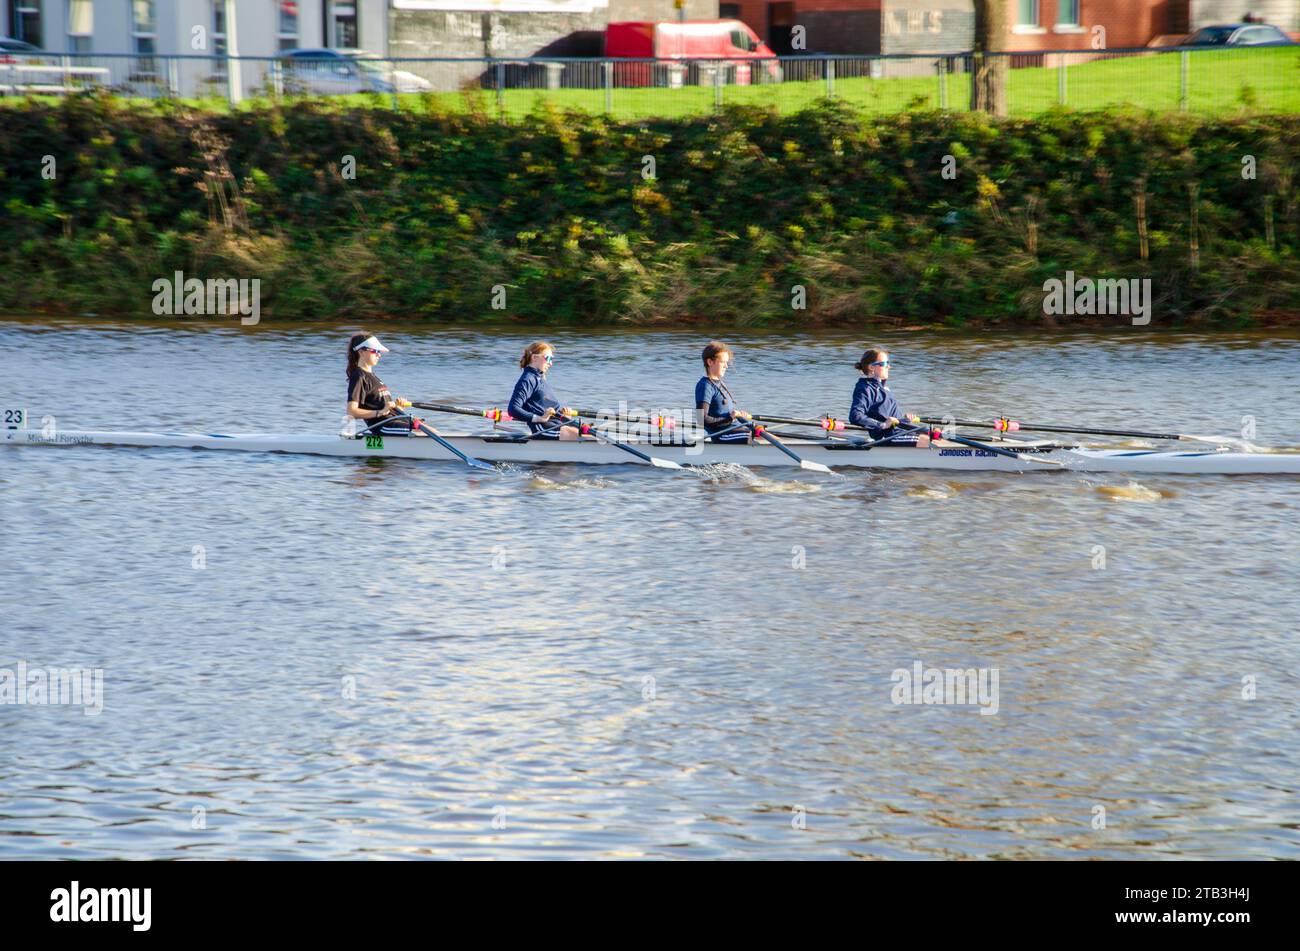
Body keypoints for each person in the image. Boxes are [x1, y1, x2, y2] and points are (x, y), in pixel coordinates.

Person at [345, 333, 436, 436]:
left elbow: (383, 408)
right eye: (375, 351)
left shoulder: (373, 377)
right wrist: (380, 412)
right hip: (384, 427)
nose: (379, 355)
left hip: (395, 421)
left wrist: (398, 407)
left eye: (379, 351)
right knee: (426, 434)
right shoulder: (359, 376)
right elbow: (351, 411)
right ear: (361, 351)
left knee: (433, 431)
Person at [849, 347, 925, 445]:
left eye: (888, 363)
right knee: (928, 441)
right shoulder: (865, 388)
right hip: (889, 437)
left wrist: (904, 419)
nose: (889, 367)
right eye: (885, 364)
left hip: (902, 432)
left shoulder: (884, 389)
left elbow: (891, 418)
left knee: (936, 435)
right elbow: (855, 416)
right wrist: (882, 425)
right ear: (871, 367)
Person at [508, 341, 580, 440]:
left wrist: (565, 416)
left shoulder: (540, 379)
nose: (551, 363)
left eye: (552, 359)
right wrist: (540, 418)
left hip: (555, 424)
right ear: (534, 358)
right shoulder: (527, 380)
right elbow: (513, 409)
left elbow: (548, 408)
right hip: (543, 429)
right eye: (548, 358)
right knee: (587, 436)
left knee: (589, 431)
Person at [695, 340, 751, 443]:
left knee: (761, 431)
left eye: (727, 362)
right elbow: (701, 419)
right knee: (756, 435)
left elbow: (724, 413)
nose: (727, 366)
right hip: (722, 435)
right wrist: (730, 418)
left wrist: (739, 415)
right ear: (710, 362)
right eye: (723, 362)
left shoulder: (719, 383)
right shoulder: (705, 386)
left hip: (734, 429)